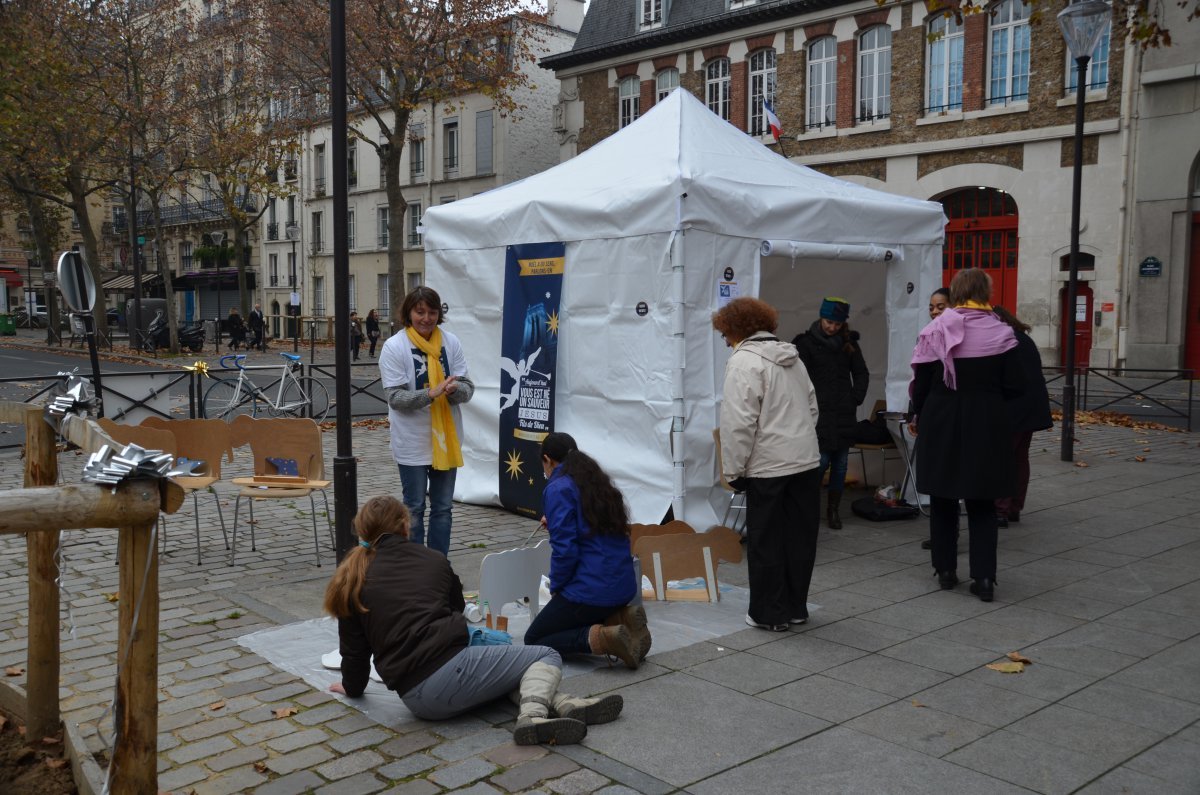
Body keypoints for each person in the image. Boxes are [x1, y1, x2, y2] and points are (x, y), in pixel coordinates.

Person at [325, 496, 624, 745]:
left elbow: (354, 652)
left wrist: (351, 687)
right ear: (406, 526)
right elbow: (458, 615)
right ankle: (532, 717)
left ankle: (565, 703)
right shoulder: (433, 559)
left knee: (510, 669)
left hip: (416, 699)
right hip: (450, 670)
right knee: (545, 654)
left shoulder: (352, 578)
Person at [910, 269, 1024, 602]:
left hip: (942, 419)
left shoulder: (935, 330)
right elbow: (1017, 386)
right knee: (983, 502)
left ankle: (945, 570)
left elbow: (922, 384)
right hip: (986, 422)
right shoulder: (1002, 334)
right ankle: (984, 577)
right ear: (986, 293)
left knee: (944, 498)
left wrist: (918, 413)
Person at [713, 297, 821, 631]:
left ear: (733, 330)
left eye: (724, 334)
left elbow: (738, 423)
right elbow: (812, 407)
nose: (724, 340)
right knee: (799, 539)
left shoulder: (744, 361)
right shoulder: (793, 357)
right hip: (805, 460)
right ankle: (795, 607)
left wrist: (734, 469)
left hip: (769, 465)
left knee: (766, 541)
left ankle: (769, 613)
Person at [523, 432, 648, 670]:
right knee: (566, 617)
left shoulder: (558, 488)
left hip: (592, 591)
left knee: (534, 639)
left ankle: (604, 638)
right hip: (623, 587)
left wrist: (557, 588)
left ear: (548, 459)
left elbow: (565, 550)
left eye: (543, 465)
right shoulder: (595, 482)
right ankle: (619, 620)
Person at [378, 286, 474, 556]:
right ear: (409, 313)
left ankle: (439, 566)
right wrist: (430, 394)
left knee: (443, 508)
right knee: (415, 507)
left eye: (432, 312)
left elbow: (468, 388)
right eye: (420, 312)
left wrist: (455, 391)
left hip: (446, 441)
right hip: (412, 441)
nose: (426, 318)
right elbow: (395, 398)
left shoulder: (450, 342)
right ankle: (416, 567)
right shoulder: (394, 346)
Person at [793, 297, 869, 530]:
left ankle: (833, 511)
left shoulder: (849, 344)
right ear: (821, 317)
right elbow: (796, 376)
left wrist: (854, 398)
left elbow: (861, 373)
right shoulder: (804, 344)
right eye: (828, 321)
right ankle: (807, 510)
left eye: (837, 323)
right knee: (820, 462)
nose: (832, 327)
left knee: (841, 464)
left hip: (843, 413)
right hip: (817, 413)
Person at [991, 305, 1053, 527]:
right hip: (1031, 408)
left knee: (1004, 458)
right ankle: (1014, 506)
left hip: (1013, 408)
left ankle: (1001, 509)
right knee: (1019, 458)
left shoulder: (1005, 340)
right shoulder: (1023, 339)